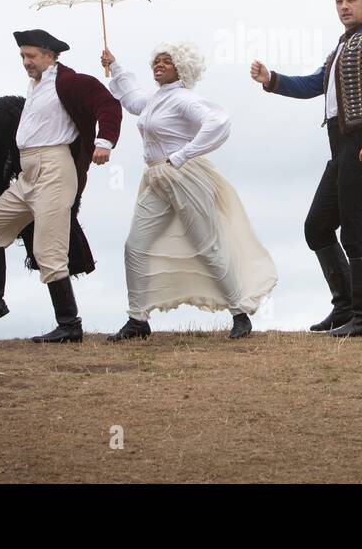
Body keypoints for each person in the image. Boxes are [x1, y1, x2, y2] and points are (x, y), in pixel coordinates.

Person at [250, 0, 362, 337]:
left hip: (361, 146)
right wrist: (272, 79)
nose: (344, 6)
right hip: (340, 149)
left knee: (355, 232)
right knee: (317, 227)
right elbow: (316, 84)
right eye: (338, 0)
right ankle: (346, 306)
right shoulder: (341, 47)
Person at [101, 42, 277, 341]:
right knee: (135, 246)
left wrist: (184, 154)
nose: (159, 65)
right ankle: (137, 320)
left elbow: (218, 121)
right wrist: (114, 66)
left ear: (181, 68)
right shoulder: (156, 99)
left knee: (207, 246)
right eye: (156, 60)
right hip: (157, 178)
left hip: (185, 177)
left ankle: (239, 314)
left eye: (167, 62)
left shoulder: (184, 99)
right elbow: (132, 101)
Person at [0, 29, 122, 343]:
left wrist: (104, 142)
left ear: (50, 56)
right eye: (22, 57)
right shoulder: (37, 85)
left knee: (48, 250)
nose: (26, 62)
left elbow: (108, 104)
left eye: (31, 56)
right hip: (29, 174)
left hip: (54, 171)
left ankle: (69, 325)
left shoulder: (69, 81)